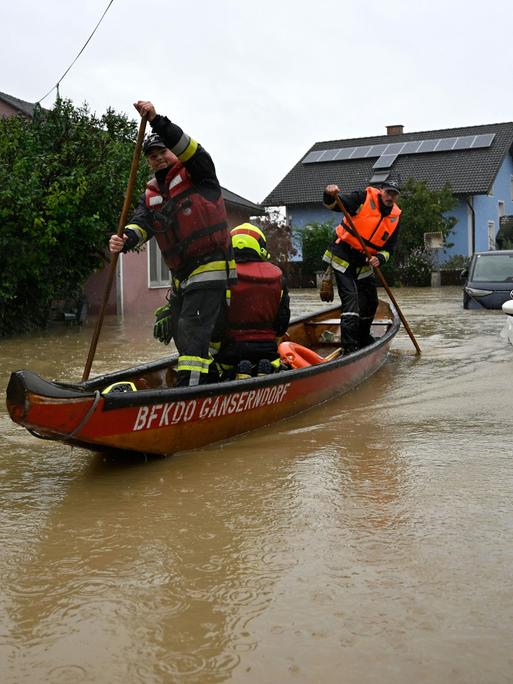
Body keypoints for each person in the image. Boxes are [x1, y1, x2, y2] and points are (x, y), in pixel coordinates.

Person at [109, 100, 236, 387]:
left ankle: (187, 396)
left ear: (174, 152)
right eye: (152, 156)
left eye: (163, 152)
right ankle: (211, 381)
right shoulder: (150, 194)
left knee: (191, 329)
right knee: (186, 333)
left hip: (211, 267)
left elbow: (189, 147)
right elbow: (142, 224)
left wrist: (156, 120)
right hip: (182, 277)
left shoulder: (200, 172)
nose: (158, 159)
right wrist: (124, 239)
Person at [322, 179, 401, 354]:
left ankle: (363, 336)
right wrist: (329, 193)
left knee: (371, 301)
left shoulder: (395, 217)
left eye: (394, 194)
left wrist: (380, 257)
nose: (390, 197)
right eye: (388, 192)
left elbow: (389, 248)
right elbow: (335, 204)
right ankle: (350, 348)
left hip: (363, 261)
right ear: (381, 191)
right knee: (352, 301)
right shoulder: (363, 198)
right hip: (343, 255)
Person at [213, 223, 291, 380]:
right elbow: (282, 323)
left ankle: (237, 373)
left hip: (231, 352)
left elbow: (216, 324)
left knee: (216, 363)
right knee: (270, 362)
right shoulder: (278, 279)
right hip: (268, 350)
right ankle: (264, 369)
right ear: (260, 246)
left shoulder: (222, 277)